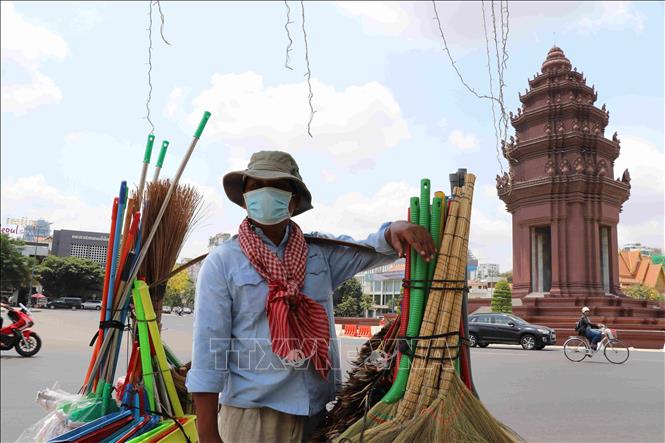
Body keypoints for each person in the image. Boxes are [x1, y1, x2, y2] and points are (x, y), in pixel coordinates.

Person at [186, 151, 436, 443]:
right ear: (244, 199)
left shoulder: (318, 253)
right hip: (252, 418)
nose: (265, 194)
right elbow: (208, 352)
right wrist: (207, 434)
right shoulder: (223, 262)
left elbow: (371, 249)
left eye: (278, 186)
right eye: (255, 187)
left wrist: (395, 228)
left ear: (293, 201)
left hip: (314, 414)